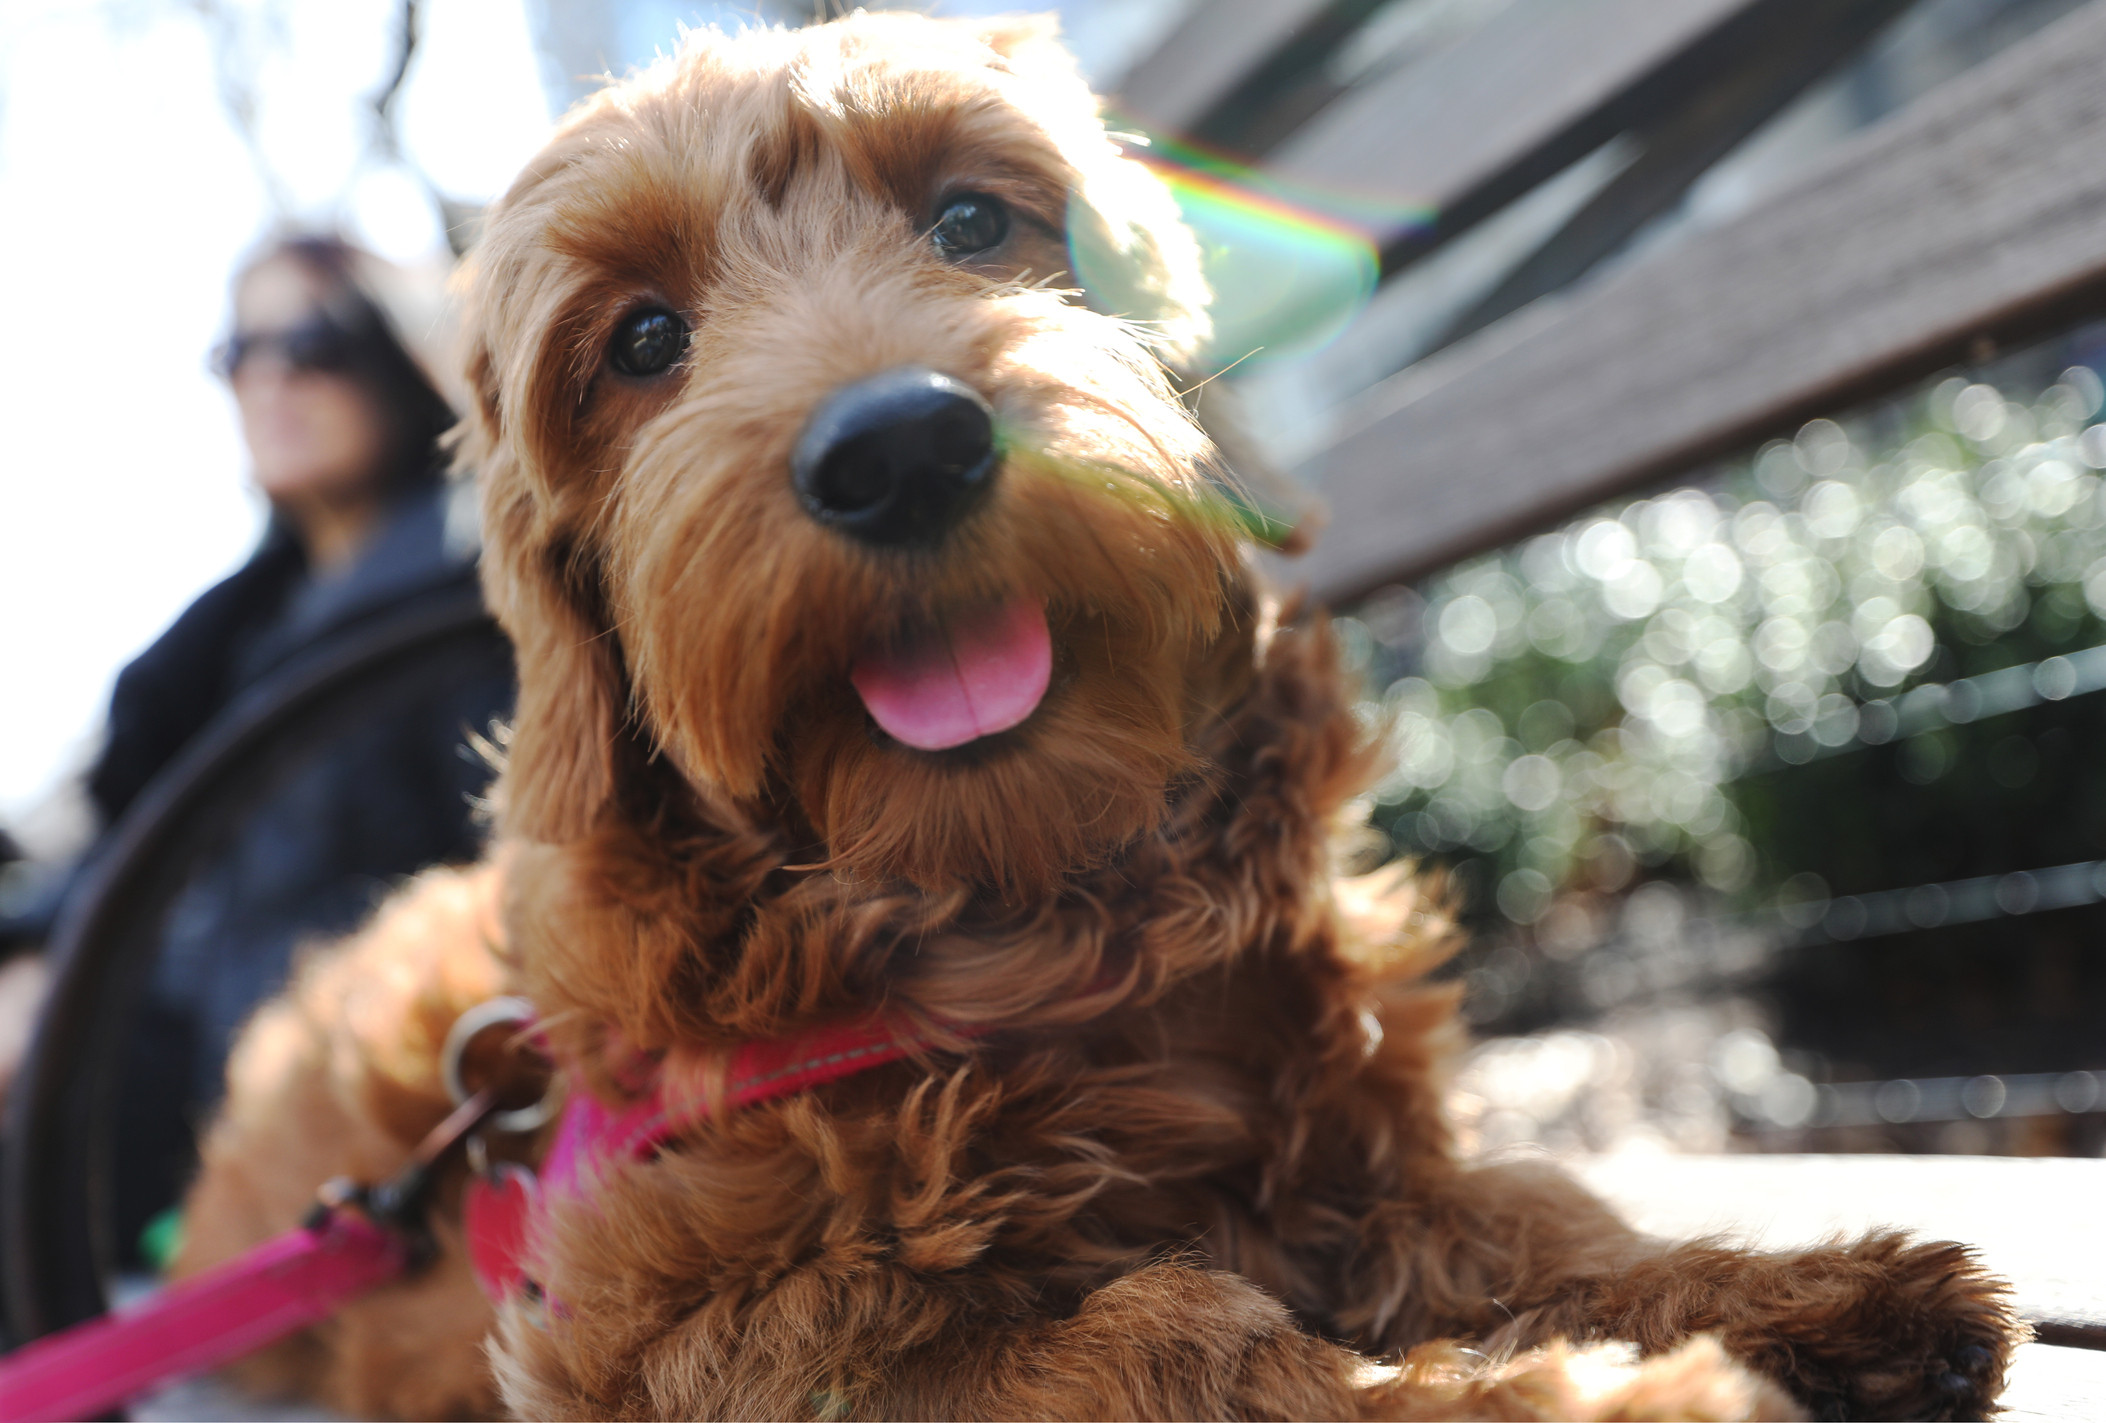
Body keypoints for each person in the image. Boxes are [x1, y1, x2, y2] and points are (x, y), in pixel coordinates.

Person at [0, 234, 514, 1264]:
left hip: (340, 1095)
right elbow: (120, 844)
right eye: (239, 353)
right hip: (158, 1059)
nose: (271, 377)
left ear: (392, 350)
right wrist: (35, 960)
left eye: (312, 342)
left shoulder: (472, 590)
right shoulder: (229, 642)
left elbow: (522, 863)